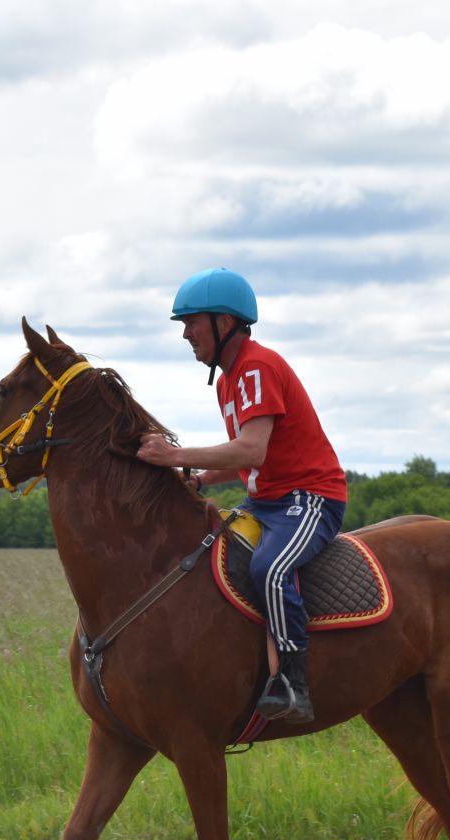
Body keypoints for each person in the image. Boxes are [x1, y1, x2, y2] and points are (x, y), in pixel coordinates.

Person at [136, 267, 347, 724]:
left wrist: (174, 456)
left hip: (309, 499)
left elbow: (253, 448)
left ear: (224, 323)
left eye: (192, 322)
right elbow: (245, 460)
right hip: (266, 501)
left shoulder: (257, 366)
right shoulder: (230, 378)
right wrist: (198, 480)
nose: (187, 334)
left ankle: (293, 682)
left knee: (269, 567)